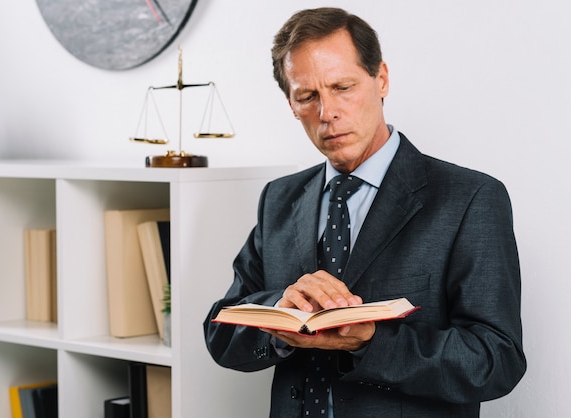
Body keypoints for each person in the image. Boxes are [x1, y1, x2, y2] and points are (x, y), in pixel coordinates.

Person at [203, 7, 526, 418]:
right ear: (291, 103)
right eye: (308, 96)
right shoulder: (278, 199)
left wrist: (369, 340)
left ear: (382, 79)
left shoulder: (470, 198)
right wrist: (279, 316)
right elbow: (220, 332)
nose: (327, 113)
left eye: (342, 87)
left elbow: (496, 360)